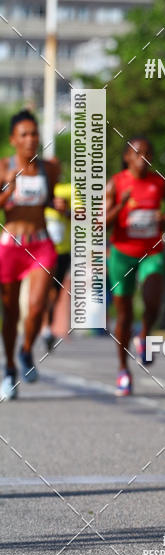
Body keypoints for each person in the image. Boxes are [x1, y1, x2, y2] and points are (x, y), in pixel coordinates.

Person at [105, 137, 165, 397]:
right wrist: (121, 205)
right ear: (127, 157)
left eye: (147, 154)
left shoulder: (159, 182)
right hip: (122, 254)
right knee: (123, 316)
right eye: (137, 153)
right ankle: (123, 369)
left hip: (151, 252)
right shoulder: (116, 183)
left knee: (153, 300)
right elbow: (101, 222)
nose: (142, 158)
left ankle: (144, 334)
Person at [0, 109, 59, 400]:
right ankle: (10, 367)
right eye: (24, 134)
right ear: (13, 139)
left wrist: (61, 206)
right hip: (11, 247)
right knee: (10, 313)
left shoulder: (50, 168)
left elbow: (50, 201)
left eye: (34, 134)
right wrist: (7, 189)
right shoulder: (3, 167)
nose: (30, 139)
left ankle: (26, 352)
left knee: (36, 307)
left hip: (40, 245)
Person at [42, 181, 71, 352]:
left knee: (53, 294)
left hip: (61, 253)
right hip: (40, 253)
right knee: (41, 291)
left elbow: (82, 218)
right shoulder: (39, 201)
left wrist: (66, 211)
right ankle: (41, 324)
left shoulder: (65, 197)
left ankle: (47, 328)